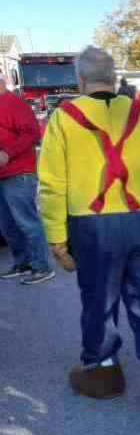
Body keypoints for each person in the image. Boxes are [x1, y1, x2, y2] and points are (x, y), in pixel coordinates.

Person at [38, 46, 140, 415]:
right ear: (114, 78)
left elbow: (50, 185)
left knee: (98, 298)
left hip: (91, 226)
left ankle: (103, 372)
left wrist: (56, 237)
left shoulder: (64, 119)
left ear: (80, 80)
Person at [0, 77, 55, 284]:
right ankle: (22, 263)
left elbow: (32, 132)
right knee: (7, 226)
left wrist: (7, 152)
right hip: (3, 175)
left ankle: (42, 266)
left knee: (27, 222)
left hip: (18, 173)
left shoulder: (14, 104)